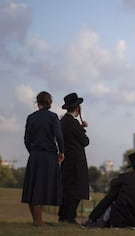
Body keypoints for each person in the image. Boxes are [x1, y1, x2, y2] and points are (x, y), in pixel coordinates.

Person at [21, 91, 65, 226]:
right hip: (49, 156)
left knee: (33, 188)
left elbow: (26, 139)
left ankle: (37, 220)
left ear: (37, 102)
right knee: (42, 188)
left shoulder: (31, 117)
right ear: (49, 102)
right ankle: (38, 222)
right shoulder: (53, 117)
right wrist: (61, 151)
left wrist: (32, 152)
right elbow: (59, 136)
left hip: (35, 155)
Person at [58, 92, 90, 224]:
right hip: (76, 162)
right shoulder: (73, 123)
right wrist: (82, 129)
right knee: (75, 191)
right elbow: (85, 141)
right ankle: (70, 217)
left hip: (67, 161)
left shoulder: (63, 121)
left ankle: (64, 216)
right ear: (77, 108)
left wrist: (80, 127)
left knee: (67, 189)